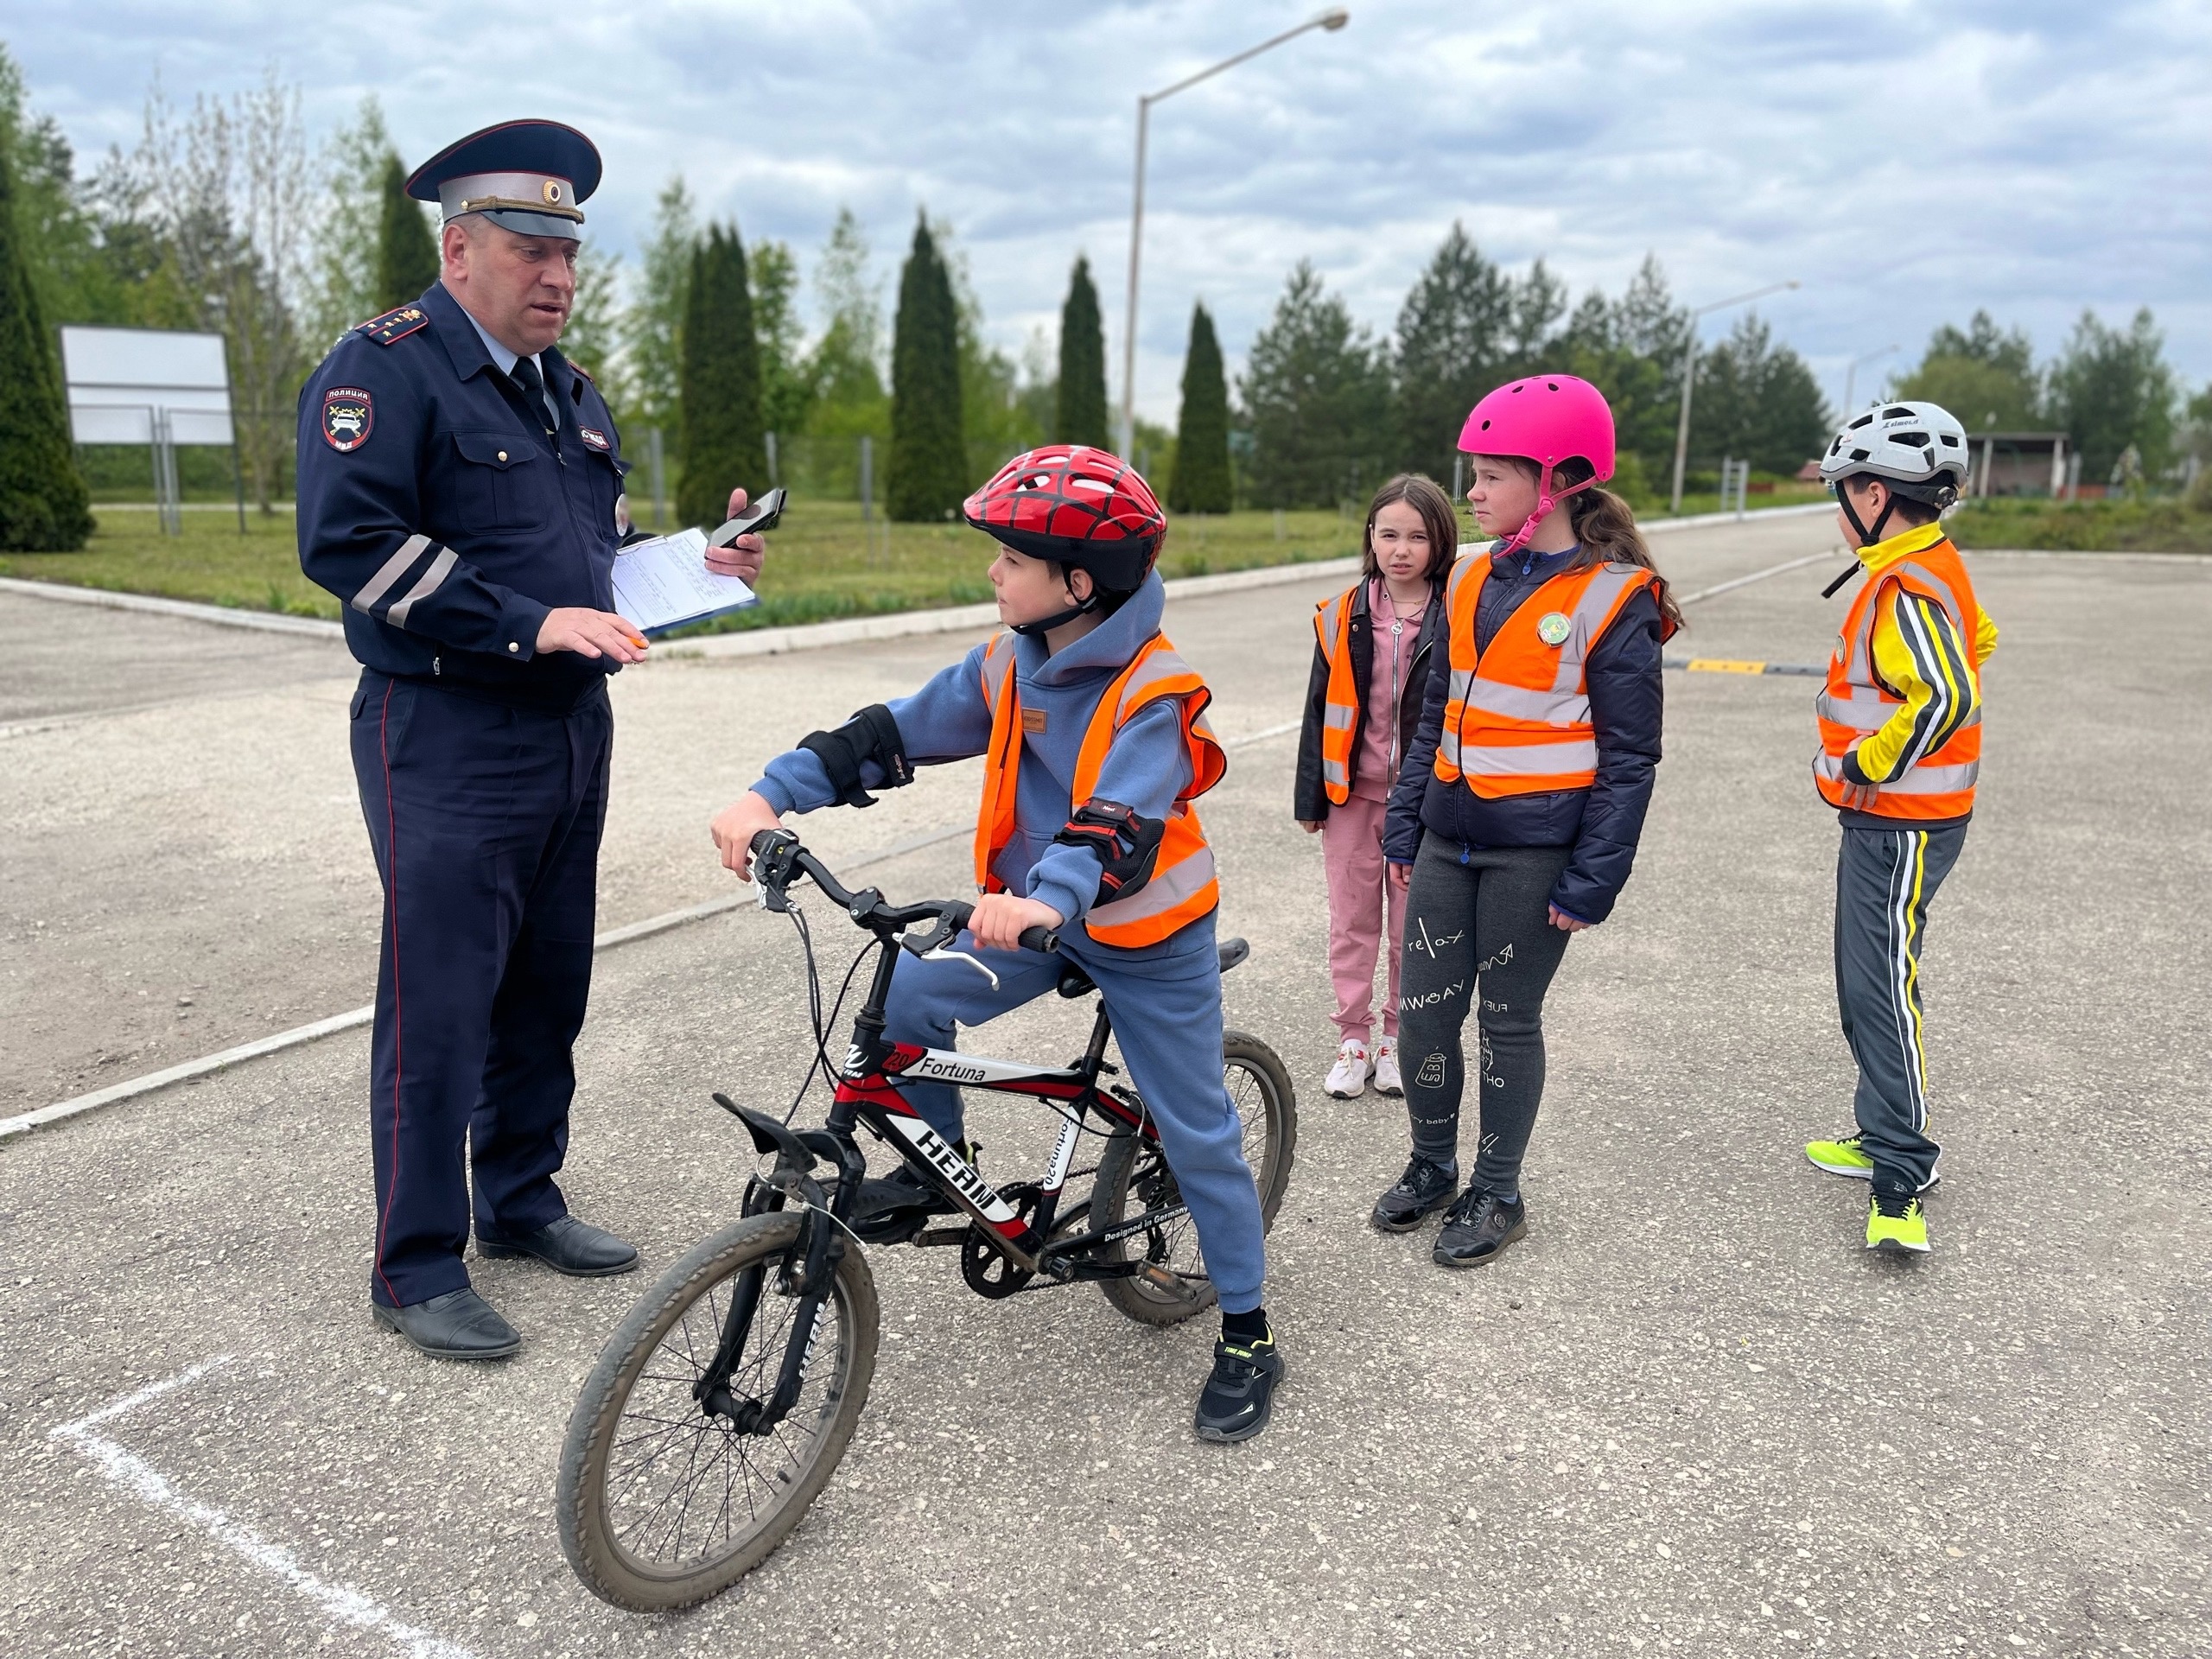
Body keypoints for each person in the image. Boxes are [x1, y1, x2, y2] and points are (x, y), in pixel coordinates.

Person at [296, 120, 769, 1361]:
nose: (558, 276)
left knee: (545, 990)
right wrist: (525, 620)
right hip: (446, 729)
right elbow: (352, 547)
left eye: (569, 254)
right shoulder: (383, 371)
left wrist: (694, 567)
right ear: (459, 250)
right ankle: (414, 1264)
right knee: (440, 1003)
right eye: (528, 250)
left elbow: (584, 564)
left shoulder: (568, 393)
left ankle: (520, 1201)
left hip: (568, 729)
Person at [709, 446, 1284, 1443]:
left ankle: (1246, 1331)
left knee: (1196, 1134)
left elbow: (1117, 821)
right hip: (1028, 914)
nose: (991, 573)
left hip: (1142, 930)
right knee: (917, 1003)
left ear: (1075, 583)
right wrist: (771, 791)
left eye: (1009, 557)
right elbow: (892, 733)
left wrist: (1044, 898)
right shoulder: (1009, 657)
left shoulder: (1154, 688)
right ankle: (946, 1169)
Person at [1374, 376, 1678, 1266]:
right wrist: (1404, 823)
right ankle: (1432, 1166)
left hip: (1535, 857)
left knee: (1506, 1021)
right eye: (1471, 473)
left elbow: (1630, 759)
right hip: (1444, 838)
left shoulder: (1615, 600)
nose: (1469, 491)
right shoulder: (1468, 576)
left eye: (1491, 475)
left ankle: (1496, 1190)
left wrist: (1594, 878)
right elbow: (1433, 716)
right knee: (1424, 1018)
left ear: (1554, 482)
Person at [1802, 400, 1995, 1255]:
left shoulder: (1904, 582)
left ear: (1875, 495)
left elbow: (1949, 692)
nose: (1838, 508)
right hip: (1909, 819)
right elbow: (1977, 640)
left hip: (1898, 819)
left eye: (1842, 491)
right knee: (1865, 979)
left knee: (1879, 989)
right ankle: (1881, 1129)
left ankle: (1902, 1164)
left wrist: (1867, 761)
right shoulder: (1929, 564)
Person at [1293, 474, 1456, 1099]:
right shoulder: (1342, 614)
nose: (1402, 549)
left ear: (1440, 542)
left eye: (1418, 536)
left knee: (1409, 928)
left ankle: (1397, 1038)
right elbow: (1317, 710)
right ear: (1371, 537)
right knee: (1353, 922)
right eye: (1389, 534)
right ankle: (1352, 1038)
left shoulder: (1458, 613)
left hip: (1422, 804)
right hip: (1350, 800)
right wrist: (1311, 796)